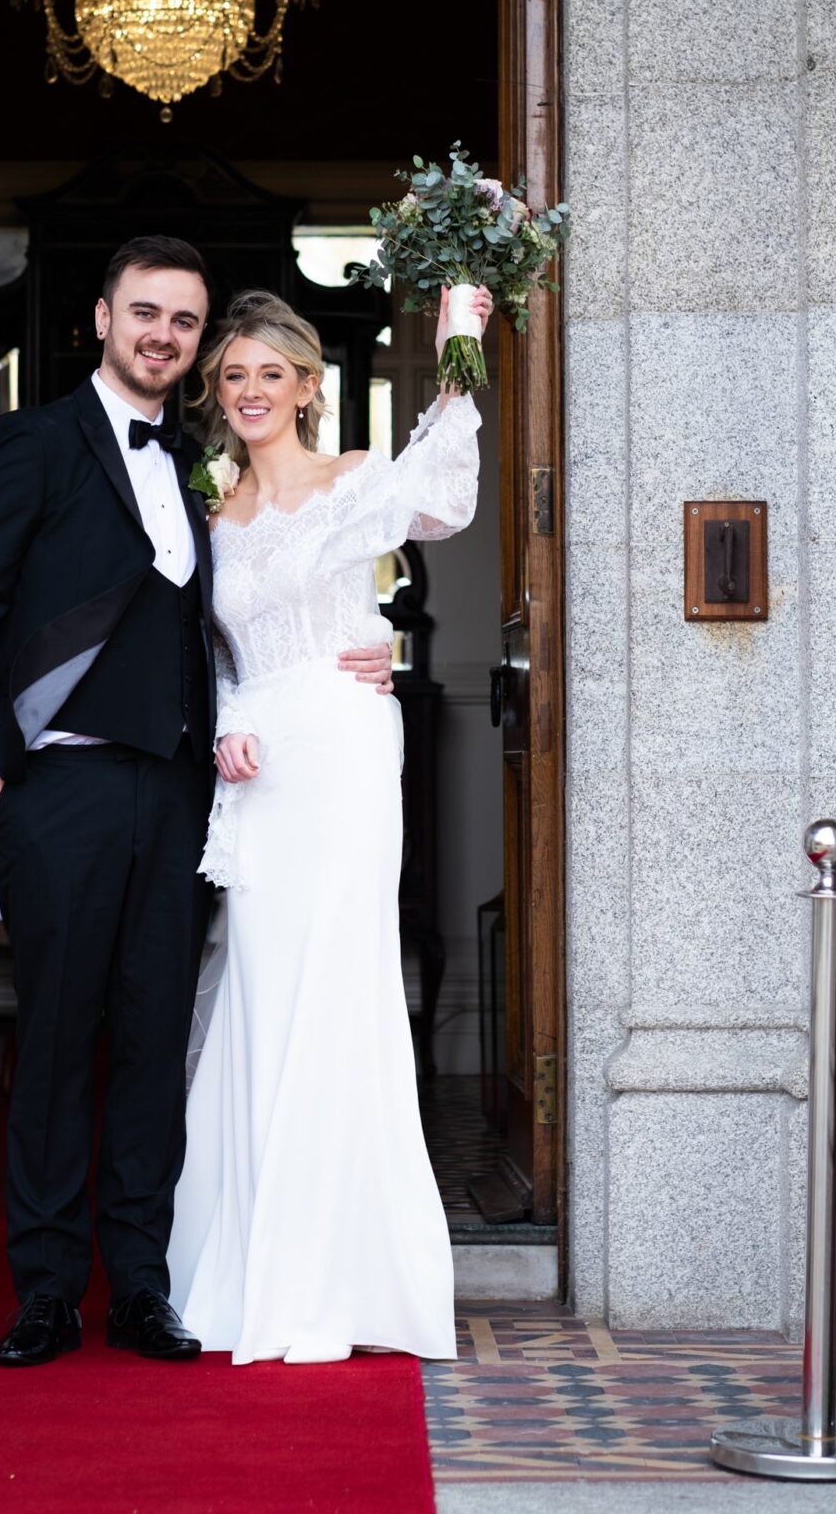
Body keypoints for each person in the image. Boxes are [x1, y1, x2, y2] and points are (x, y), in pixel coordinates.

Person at [0, 235, 395, 1369]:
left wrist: (365, 647)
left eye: (184, 323)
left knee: (150, 1039)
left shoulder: (204, 468)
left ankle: (141, 1285)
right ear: (99, 319)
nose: (164, 337)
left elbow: (239, 618)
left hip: (184, 792)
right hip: (63, 787)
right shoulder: (31, 444)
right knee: (53, 1040)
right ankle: (44, 1291)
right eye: (146, 314)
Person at [167, 283, 490, 1365]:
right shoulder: (210, 515)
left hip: (344, 746)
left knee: (336, 982)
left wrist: (457, 339)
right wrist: (222, 728)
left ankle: (343, 1281)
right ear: (218, 395)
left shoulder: (353, 480)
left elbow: (444, 496)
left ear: (309, 386)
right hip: (256, 760)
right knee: (260, 982)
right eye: (234, 375)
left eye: (272, 372)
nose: (251, 390)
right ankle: (246, 1265)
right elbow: (205, 655)